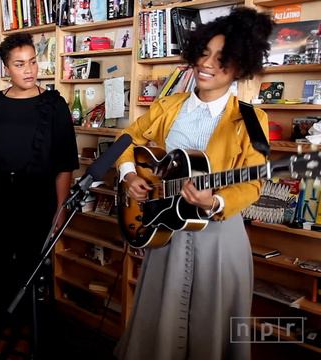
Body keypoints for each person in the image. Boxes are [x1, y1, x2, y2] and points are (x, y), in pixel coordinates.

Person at [115, 8, 273, 360]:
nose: (208, 64)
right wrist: (130, 175)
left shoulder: (251, 118)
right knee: (160, 325)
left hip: (220, 239)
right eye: (204, 53)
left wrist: (214, 202)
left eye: (223, 59)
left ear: (240, 67)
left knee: (211, 331)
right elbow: (127, 138)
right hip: (166, 231)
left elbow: (254, 182)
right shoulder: (169, 105)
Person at [0, 33, 79, 359]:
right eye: (20, 64)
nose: (30, 70)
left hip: (37, 200)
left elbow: (65, 163)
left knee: (31, 273)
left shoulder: (54, 105)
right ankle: (0, 332)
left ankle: (28, 336)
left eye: (33, 61)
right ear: (6, 68)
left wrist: (60, 208)